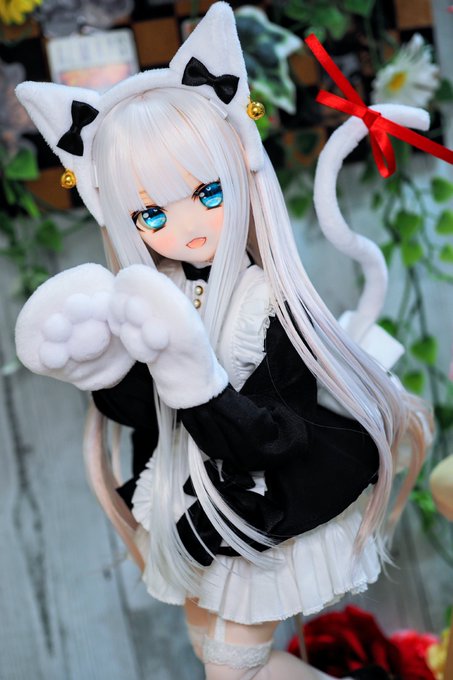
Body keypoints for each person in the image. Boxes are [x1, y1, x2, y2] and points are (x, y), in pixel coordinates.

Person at [15, 4, 430, 678]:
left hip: (260, 499)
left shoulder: (268, 299)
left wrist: (195, 379)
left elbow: (271, 435)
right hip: (183, 497)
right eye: (151, 214)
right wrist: (103, 368)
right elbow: (143, 414)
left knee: (233, 668)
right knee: (211, 654)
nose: (186, 227)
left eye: (207, 193)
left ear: (240, 171)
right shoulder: (155, 288)